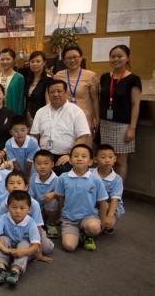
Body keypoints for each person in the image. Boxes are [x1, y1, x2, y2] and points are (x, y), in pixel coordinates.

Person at [98, 45, 142, 181]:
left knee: (120, 161)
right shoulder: (105, 77)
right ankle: (106, 188)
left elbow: (136, 105)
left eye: (120, 56)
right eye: (113, 56)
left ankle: (118, 193)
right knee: (105, 160)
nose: (116, 59)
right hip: (105, 124)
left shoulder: (133, 79)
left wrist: (132, 128)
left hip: (123, 125)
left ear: (127, 58)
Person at [54, 144, 108, 252]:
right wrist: (62, 215)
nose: (79, 158)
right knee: (69, 246)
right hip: (69, 219)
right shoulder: (63, 177)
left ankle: (87, 234)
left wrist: (102, 223)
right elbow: (61, 198)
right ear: (70, 160)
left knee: (94, 228)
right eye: (76, 156)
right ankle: (77, 232)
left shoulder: (95, 179)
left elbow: (103, 203)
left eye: (84, 156)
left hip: (88, 217)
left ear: (90, 161)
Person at [30, 80, 91, 175]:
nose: (55, 94)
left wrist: (70, 155)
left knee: (62, 171)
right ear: (48, 94)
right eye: (52, 92)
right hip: (44, 155)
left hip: (66, 155)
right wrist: (37, 154)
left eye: (59, 91)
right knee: (34, 171)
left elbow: (83, 137)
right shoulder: (41, 112)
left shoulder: (76, 111)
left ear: (65, 92)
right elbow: (34, 136)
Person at [0, 191, 41, 285]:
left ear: (29, 209)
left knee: (24, 243)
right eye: (14, 207)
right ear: (7, 207)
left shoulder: (31, 222)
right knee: (3, 238)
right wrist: (3, 248)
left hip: (24, 251)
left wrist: (23, 252)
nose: (18, 211)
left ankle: (15, 271)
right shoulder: (4, 218)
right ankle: (1, 268)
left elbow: (35, 246)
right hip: (8, 249)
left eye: (22, 208)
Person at [92, 144, 124, 234]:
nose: (107, 160)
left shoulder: (117, 179)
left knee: (108, 224)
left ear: (115, 158)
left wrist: (109, 216)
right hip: (92, 204)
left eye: (110, 157)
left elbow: (115, 200)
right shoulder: (89, 174)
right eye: (103, 157)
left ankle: (104, 224)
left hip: (110, 208)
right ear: (95, 159)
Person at [28, 150, 60, 238]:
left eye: (46, 163)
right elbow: (31, 196)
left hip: (52, 209)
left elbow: (62, 195)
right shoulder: (33, 178)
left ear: (52, 164)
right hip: (38, 208)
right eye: (38, 163)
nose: (42, 167)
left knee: (52, 202)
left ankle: (52, 223)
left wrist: (54, 193)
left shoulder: (57, 180)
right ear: (34, 165)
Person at [0, 48, 25, 115]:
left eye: (8, 59)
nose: (5, 62)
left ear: (13, 60)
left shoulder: (19, 77)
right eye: (2, 59)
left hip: (12, 114)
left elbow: (21, 100)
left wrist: (19, 116)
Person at [24, 51, 52, 123]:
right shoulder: (28, 80)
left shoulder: (48, 81)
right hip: (27, 118)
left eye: (38, 61)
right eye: (32, 61)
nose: (35, 64)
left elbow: (48, 104)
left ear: (44, 63)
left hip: (41, 119)